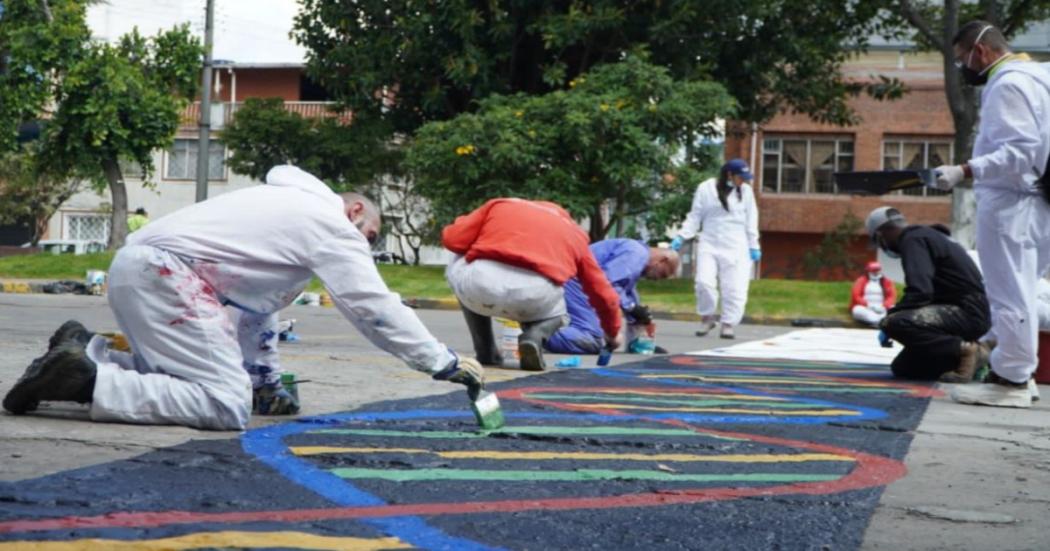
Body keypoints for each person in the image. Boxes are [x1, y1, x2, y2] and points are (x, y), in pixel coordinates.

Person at [2, 165, 484, 430]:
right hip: (170, 277)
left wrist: (265, 381)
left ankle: (84, 352)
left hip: (139, 269)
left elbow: (257, 312)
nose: (366, 245)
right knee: (223, 404)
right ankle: (86, 379)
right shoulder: (330, 225)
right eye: (371, 234)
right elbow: (372, 306)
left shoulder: (283, 207)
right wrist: (439, 361)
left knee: (175, 382)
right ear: (355, 209)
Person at [931, 20, 1050, 408]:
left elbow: (1019, 151)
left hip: (1011, 202)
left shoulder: (1008, 83)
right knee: (1023, 289)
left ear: (980, 52)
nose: (963, 68)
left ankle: (1010, 380)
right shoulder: (1040, 76)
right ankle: (1019, 373)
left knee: (1008, 293)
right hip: (1035, 203)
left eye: (962, 59)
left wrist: (964, 170)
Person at [442, 198, 622, 371]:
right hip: (535, 298)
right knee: (562, 309)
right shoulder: (575, 233)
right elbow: (601, 292)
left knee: (456, 256)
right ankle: (536, 334)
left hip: (479, 286)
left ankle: (486, 351)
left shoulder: (500, 205)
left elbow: (452, 240)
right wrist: (612, 333)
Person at [865, 206, 991, 383]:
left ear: (881, 234)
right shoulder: (928, 236)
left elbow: (920, 291)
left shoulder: (913, 240)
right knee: (904, 368)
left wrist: (891, 318)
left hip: (966, 312)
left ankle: (966, 350)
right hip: (969, 313)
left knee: (894, 322)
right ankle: (976, 356)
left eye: (880, 241)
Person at [670, 158, 760, 339]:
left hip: (737, 245)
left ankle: (728, 324)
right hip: (710, 242)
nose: (743, 181)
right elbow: (695, 216)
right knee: (704, 282)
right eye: (740, 177)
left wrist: (754, 245)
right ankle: (707, 318)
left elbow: (751, 220)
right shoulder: (706, 189)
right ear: (729, 175)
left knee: (734, 287)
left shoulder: (746, 192)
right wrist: (681, 235)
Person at [545, 239, 680, 354]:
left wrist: (640, 337)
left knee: (596, 335)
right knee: (592, 339)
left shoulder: (636, 254)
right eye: (663, 274)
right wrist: (632, 308)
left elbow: (625, 293)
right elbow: (608, 284)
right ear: (663, 260)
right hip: (576, 281)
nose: (658, 279)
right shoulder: (636, 255)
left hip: (579, 280)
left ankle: (539, 332)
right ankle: (535, 336)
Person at [849, 261, 896, 327]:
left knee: (894, 308)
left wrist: (884, 306)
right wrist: (868, 305)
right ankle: (879, 321)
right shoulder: (860, 281)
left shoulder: (887, 282)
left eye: (877, 271)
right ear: (868, 272)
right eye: (873, 271)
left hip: (882, 307)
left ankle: (881, 320)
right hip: (866, 307)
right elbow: (856, 296)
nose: (876, 273)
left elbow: (891, 296)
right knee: (857, 309)